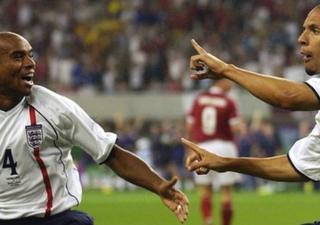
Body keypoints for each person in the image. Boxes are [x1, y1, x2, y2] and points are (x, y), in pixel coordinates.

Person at [184, 3, 320, 225]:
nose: (301, 38)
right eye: (303, 29)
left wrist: (226, 71)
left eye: (314, 30)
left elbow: (288, 96)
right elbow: (295, 166)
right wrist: (227, 162)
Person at [0, 32, 188, 225]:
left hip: (53, 220)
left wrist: (159, 185)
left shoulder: (55, 109)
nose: (31, 63)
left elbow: (111, 154)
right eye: (18, 56)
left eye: (31, 55)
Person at [185, 78, 241, 225]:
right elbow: (236, 128)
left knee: (204, 190)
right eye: (228, 81)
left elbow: (190, 126)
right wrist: (242, 127)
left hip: (202, 146)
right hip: (224, 146)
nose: (231, 84)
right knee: (226, 191)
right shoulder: (228, 101)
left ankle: (208, 222)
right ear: (220, 81)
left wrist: (190, 148)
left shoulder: (199, 99)